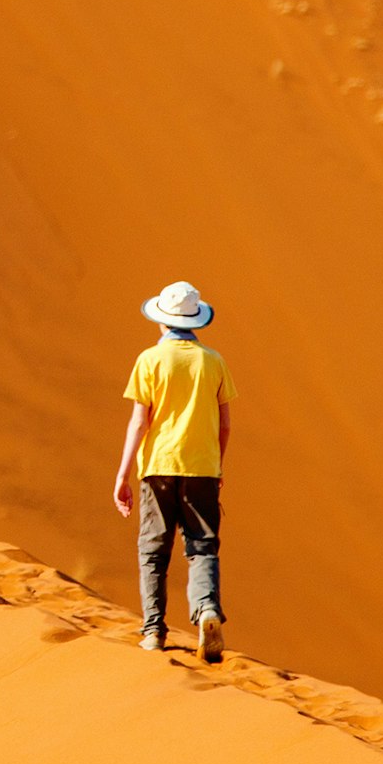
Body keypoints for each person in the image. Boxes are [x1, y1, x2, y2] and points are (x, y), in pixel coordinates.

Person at [112, 281, 231, 660]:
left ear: (162, 321)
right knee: (201, 547)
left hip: (159, 467)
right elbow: (224, 424)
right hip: (202, 468)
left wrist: (122, 474)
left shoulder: (149, 360)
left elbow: (138, 423)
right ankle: (207, 611)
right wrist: (217, 466)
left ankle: (153, 631)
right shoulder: (213, 361)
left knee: (153, 550)